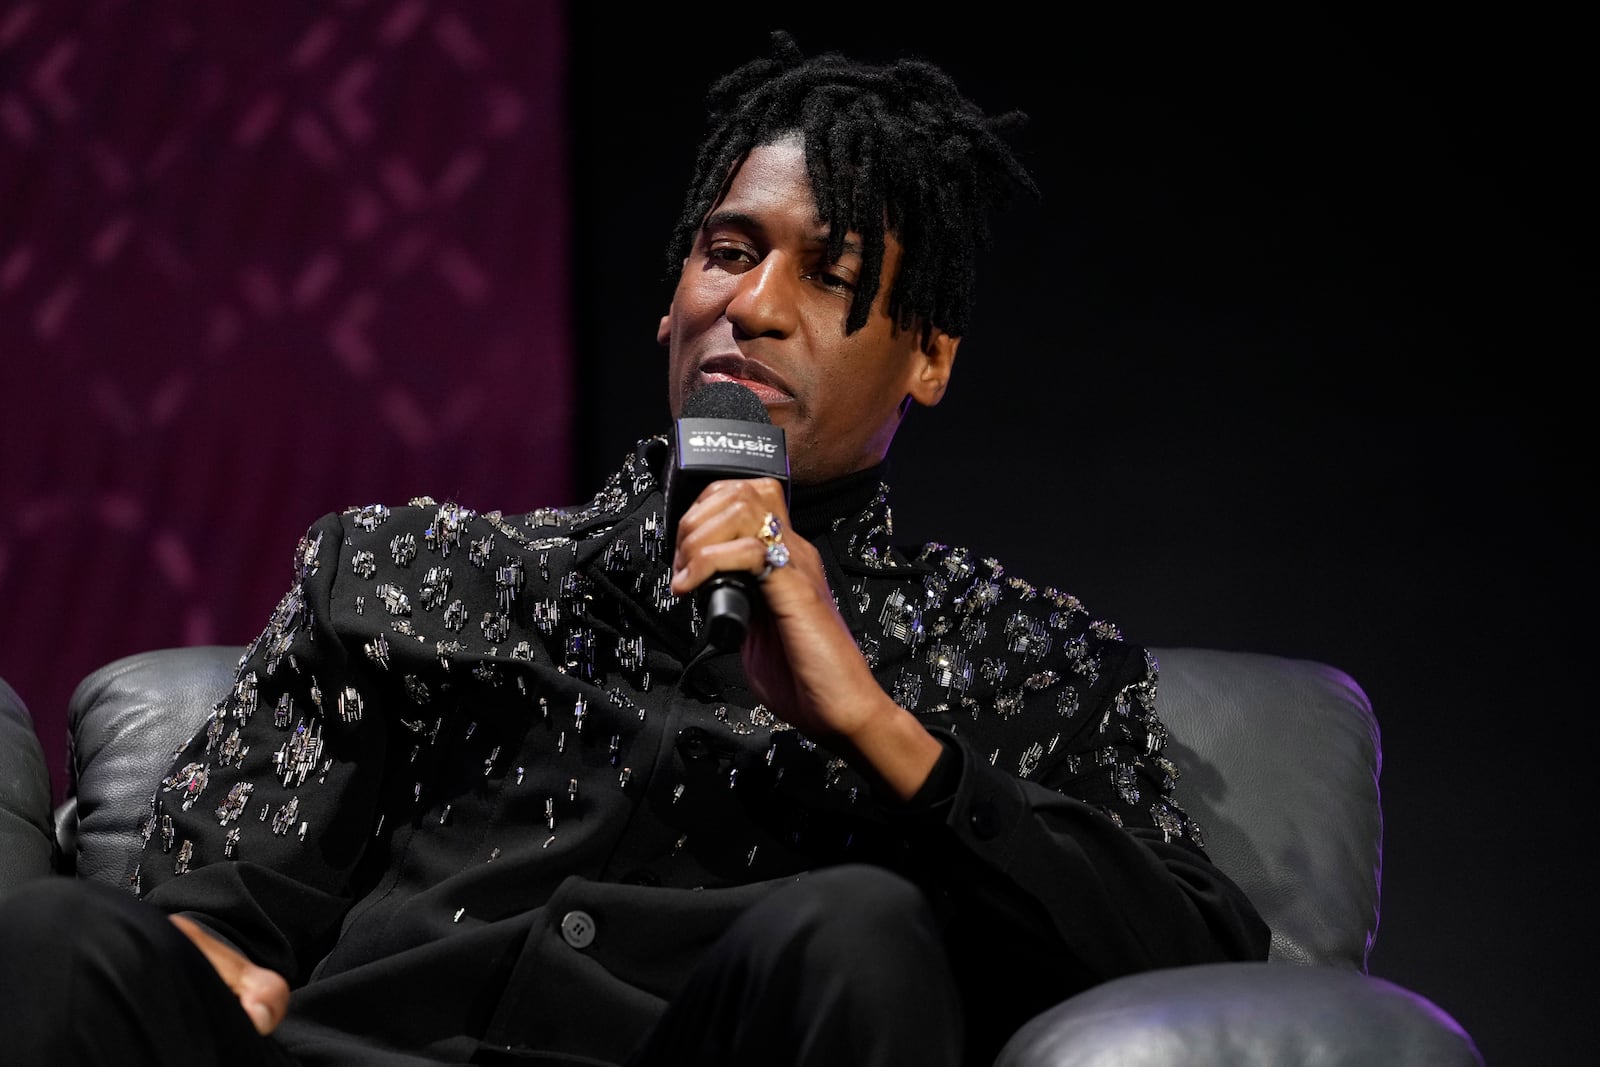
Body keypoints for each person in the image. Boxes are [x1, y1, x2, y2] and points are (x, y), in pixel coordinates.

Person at [0, 30, 1268, 1066]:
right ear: (671, 301)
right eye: (727, 253)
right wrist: (204, 948)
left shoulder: (1014, 659)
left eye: (828, 275)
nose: (752, 306)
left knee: (857, 926)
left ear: (928, 357)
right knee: (57, 934)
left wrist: (876, 729)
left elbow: (1195, 965)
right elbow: (219, 904)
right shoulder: (407, 569)